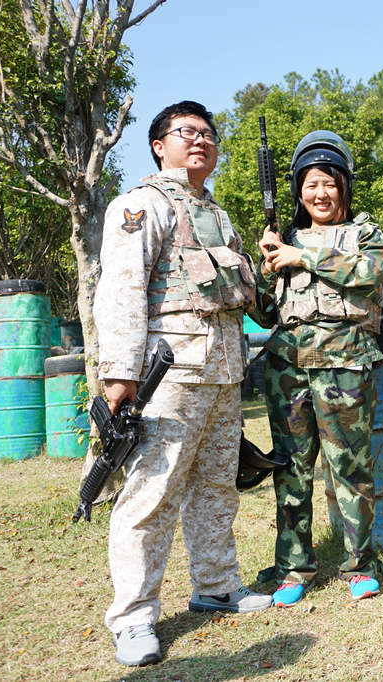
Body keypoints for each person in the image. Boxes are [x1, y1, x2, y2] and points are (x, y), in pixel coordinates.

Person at [94, 100, 271, 667]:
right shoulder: (141, 205)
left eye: (208, 135)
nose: (199, 141)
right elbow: (120, 289)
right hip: (168, 373)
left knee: (217, 484)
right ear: (158, 144)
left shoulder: (218, 215)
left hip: (222, 370)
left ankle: (216, 586)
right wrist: (120, 376)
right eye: (185, 133)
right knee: (152, 492)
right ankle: (134, 616)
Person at [250, 130, 383, 605]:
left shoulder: (365, 233)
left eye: (329, 183)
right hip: (288, 368)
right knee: (291, 469)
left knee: (350, 468)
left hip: (344, 364)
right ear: (298, 191)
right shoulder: (282, 239)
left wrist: (303, 255)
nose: (320, 194)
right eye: (311, 185)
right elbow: (265, 313)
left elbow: (372, 273)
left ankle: (360, 565)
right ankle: (294, 567)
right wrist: (265, 269)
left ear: (344, 187)